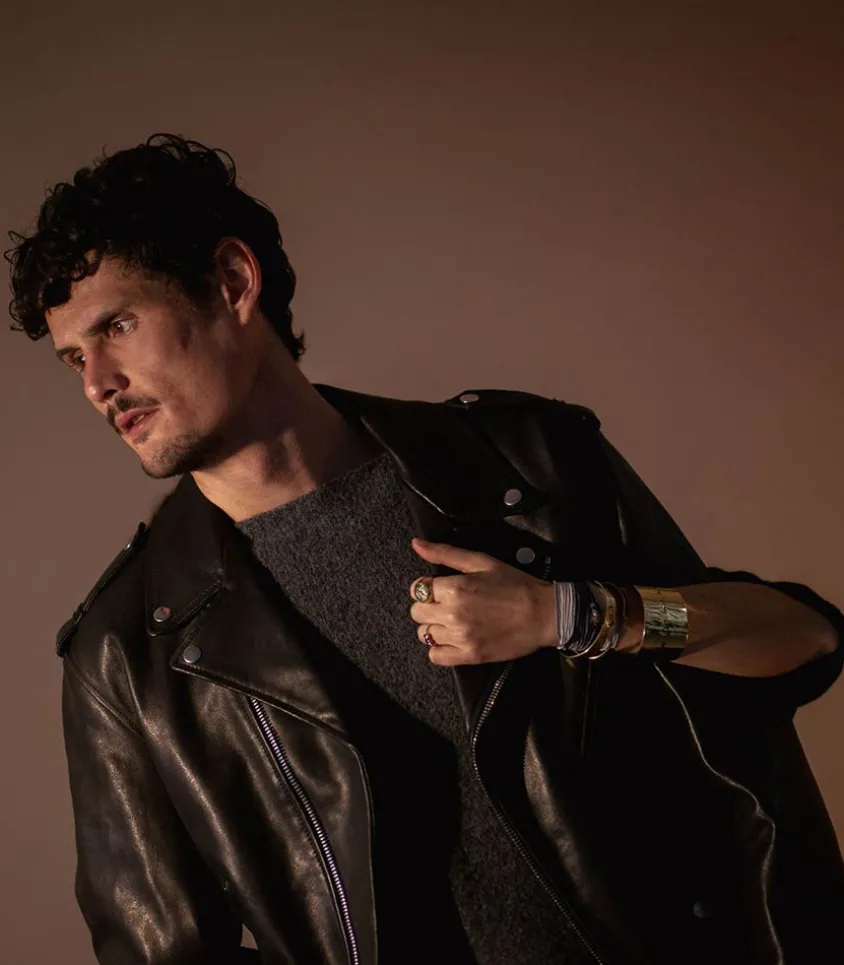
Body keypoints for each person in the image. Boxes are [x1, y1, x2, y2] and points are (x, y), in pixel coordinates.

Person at [7, 134, 844, 965]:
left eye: (117, 326)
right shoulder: (127, 653)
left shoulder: (528, 465)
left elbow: (800, 640)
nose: (96, 383)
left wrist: (578, 614)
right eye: (75, 357)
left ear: (232, 282)